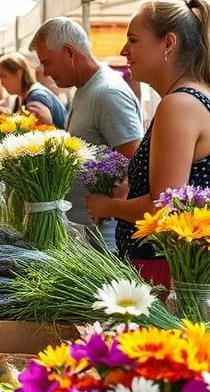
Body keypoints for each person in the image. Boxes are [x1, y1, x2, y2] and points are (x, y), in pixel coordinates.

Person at [87, 0, 210, 290]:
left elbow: (163, 207)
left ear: (168, 43)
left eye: (133, 40)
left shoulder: (179, 104)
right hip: (193, 273)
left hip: (172, 277)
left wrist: (109, 205)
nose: (123, 51)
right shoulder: (205, 96)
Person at [30, 17, 143, 247]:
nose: (45, 72)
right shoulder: (84, 88)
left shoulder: (107, 93)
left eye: (48, 62)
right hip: (84, 235)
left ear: (69, 52)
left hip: (103, 240)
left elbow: (133, 165)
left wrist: (107, 207)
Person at [0, 52, 67, 128]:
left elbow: (36, 133)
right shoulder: (20, 97)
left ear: (19, 73)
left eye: (3, 76)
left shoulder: (36, 97)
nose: (1, 82)